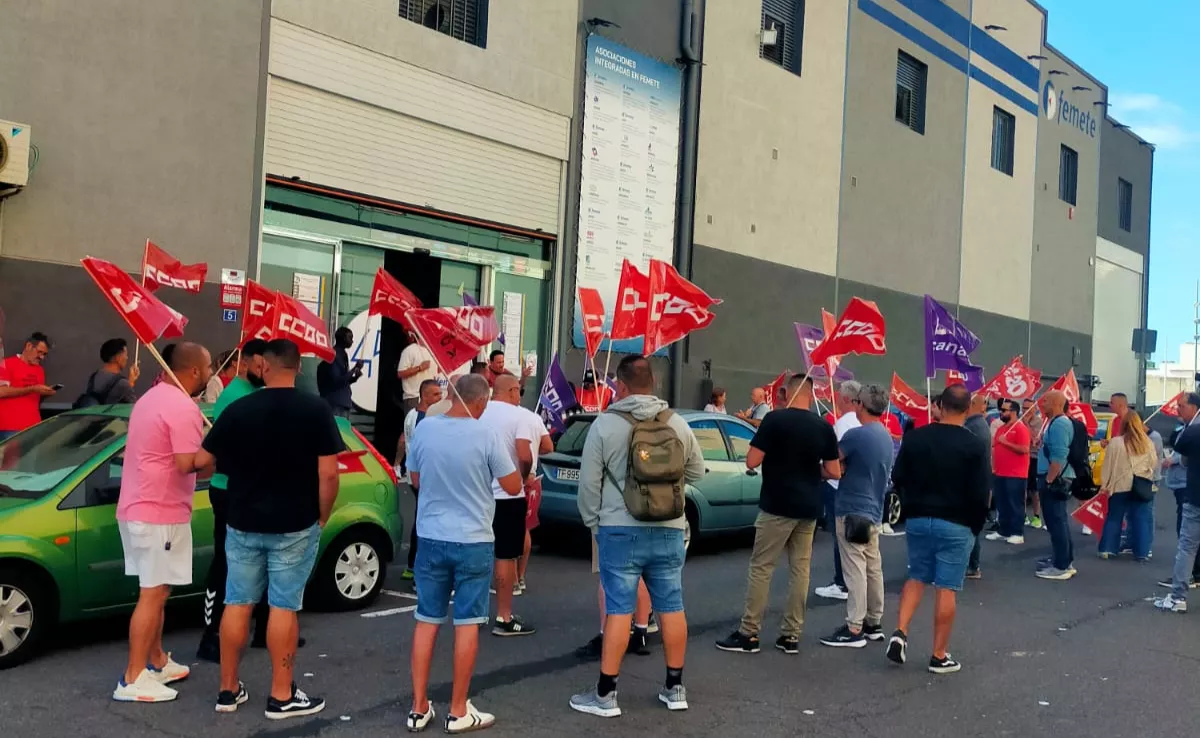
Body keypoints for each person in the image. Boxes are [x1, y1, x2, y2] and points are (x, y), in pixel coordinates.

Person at [196, 339, 343, 719]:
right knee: (283, 605)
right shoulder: (316, 409)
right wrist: (323, 515)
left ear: (263, 366)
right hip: (295, 521)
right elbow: (329, 474)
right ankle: (281, 694)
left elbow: (204, 460)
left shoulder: (239, 408)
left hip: (242, 518)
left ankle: (227, 689)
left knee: (237, 602)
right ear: (298, 368)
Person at [571, 355, 704, 718]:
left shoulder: (605, 425)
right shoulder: (675, 422)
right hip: (669, 526)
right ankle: (675, 688)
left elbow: (589, 485)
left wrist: (594, 524)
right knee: (672, 606)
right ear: (654, 383)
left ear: (620, 384)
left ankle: (606, 694)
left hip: (619, 527)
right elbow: (696, 471)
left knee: (619, 609)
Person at [406, 374, 523, 732]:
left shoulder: (425, 428)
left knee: (427, 619)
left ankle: (418, 707)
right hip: (473, 538)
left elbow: (415, 479)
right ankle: (458, 710)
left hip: (430, 535)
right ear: (481, 401)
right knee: (467, 623)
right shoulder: (486, 434)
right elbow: (512, 485)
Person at [111, 342, 212, 703]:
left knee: (159, 589)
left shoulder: (150, 398)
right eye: (208, 366)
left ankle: (155, 660)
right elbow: (188, 463)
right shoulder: (182, 406)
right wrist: (218, 448)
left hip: (140, 507)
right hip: (158, 512)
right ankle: (133, 677)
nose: (211, 372)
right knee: (153, 593)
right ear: (195, 370)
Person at [716, 373, 840, 656]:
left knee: (762, 568)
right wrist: (811, 470)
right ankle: (791, 635)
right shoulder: (824, 426)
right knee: (800, 570)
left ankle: (749, 633)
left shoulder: (774, 420)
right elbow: (834, 471)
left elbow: (752, 460)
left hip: (776, 504)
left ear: (788, 393)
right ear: (810, 395)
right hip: (809, 507)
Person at [887, 385, 988, 675]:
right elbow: (981, 492)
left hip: (919, 518)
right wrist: (975, 525)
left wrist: (910, 505)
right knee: (947, 587)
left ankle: (901, 631)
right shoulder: (973, 445)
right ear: (967, 410)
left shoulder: (916, 437)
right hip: (957, 522)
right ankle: (939, 655)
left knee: (917, 575)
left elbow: (898, 476)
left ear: (940, 406)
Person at [196, 338, 269, 663]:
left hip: (253, 489)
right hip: (228, 489)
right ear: (246, 362)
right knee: (225, 562)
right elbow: (220, 450)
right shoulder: (233, 396)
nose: (264, 371)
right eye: (259, 365)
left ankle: (264, 627)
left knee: (264, 556)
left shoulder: (257, 393)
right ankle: (210, 635)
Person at [819, 384, 894, 648]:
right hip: (873, 509)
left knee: (855, 570)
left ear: (860, 404)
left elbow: (833, 464)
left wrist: (820, 471)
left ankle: (854, 627)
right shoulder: (885, 436)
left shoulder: (856, 435)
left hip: (852, 507)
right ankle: (874, 622)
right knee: (872, 567)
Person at [480, 374, 545, 635]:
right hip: (508, 496)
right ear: (513, 391)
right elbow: (524, 454)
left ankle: (473, 613)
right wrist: (523, 476)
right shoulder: (519, 416)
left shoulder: (478, 411)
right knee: (505, 557)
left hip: (479, 494)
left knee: (476, 552)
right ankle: (504, 617)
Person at [815, 380, 862, 600]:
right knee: (856, 538)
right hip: (857, 487)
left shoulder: (843, 424)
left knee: (840, 536)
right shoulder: (862, 423)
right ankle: (853, 581)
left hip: (837, 486)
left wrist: (823, 472)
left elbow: (834, 457)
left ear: (845, 399)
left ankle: (842, 583)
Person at [1156, 393, 1200, 613]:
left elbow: (1179, 447)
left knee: (1187, 547)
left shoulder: (1193, 431)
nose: (1177, 411)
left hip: (1196, 497)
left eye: (1181, 406)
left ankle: (1177, 597)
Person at [400, 378, 443, 580]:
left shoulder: (412, 414)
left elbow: (404, 441)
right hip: (422, 477)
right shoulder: (424, 419)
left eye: (440, 393)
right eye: (436, 394)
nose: (440, 397)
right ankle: (417, 566)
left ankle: (412, 566)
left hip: (414, 475)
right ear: (424, 396)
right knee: (425, 522)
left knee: (421, 519)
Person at [1097, 410, 1156, 561]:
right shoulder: (1147, 443)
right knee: (1141, 519)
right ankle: (1142, 552)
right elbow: (1153, 463)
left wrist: (1105, 485)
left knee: (1114, 517)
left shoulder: (1116, 443)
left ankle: (1108, 548)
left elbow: (1108, 466)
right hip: (1140, 485)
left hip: (1119, 485)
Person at [1035, 390, 1077, 580]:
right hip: (1054, 477)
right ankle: (1063, 559)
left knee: (1056, 521)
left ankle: (1062, 566)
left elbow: (1059, 456)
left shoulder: (1060, 424)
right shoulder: (1055, 422)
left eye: (1046, 401)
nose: (1042, 404)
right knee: (1057, 521)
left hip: (1055, 479)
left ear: (1056, 404)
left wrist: (1049, 480)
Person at [988, 399, 1031, 545]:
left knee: (1015, 504)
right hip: (1000, 472)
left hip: (1016, 474)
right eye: (1001, 410)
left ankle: (1017, 532)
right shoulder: (1001, 428)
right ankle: (1004, 530)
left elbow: (1024, 449)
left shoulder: (1020, 428)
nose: (1001, 412)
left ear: (1013, 412)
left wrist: (1005, 442)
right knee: (1002, 503)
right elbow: (994, 447)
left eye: (1004, 410)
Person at [0, 331, 55, 439]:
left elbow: (36, 398)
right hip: (10, 426)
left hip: (34, 426)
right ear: (29, 346)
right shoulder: (6, 364)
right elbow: (1, 391)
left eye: (44, 354)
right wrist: (32, 389)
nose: (41, 357)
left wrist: (45, 393)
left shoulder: (39, 370)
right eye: (39, 352)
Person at [964, 393, 993, 579]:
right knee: (971, 526)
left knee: (970, 527)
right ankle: (971, 565)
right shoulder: (978, 424)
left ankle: (972, 566)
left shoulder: (975, 426)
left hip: (973, 484)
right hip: (979, 483)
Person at [317, 327, 363, 418]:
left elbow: (344, 382)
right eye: (350, 338)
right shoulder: (334, 355)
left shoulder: (343, 355)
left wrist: (355, 378)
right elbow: (337, 381)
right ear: (343, 338)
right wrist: (354, 368)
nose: (352, 341)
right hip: (335, 404)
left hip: (342, 403)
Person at [81, 338, 140, 406]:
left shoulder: (94, 377)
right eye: (126, 354)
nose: (127, 358)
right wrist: (130, 383)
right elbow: (133, 408)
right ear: (118, 358)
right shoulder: (122, 383)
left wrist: (130, 382)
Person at [398, 334, 437, 416]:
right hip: (414, 397)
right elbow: (400, 373)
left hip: (431, 398)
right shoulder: (409, 350)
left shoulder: (433, 351)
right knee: (414, 423)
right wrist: (419, 368)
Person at [1022, 397, 1044, 529]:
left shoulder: (1039, 422)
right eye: (1024, 408)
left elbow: (1035, 440)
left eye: (1028, 408)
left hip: (1034, 457)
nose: (1025, 411)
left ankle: (1036, 516)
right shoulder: (1019, 420)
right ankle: (1023, 514)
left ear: (1034, 409)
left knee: (1034, 489)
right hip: (1021, 457)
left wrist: (1026, 424)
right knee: (1022, 488)